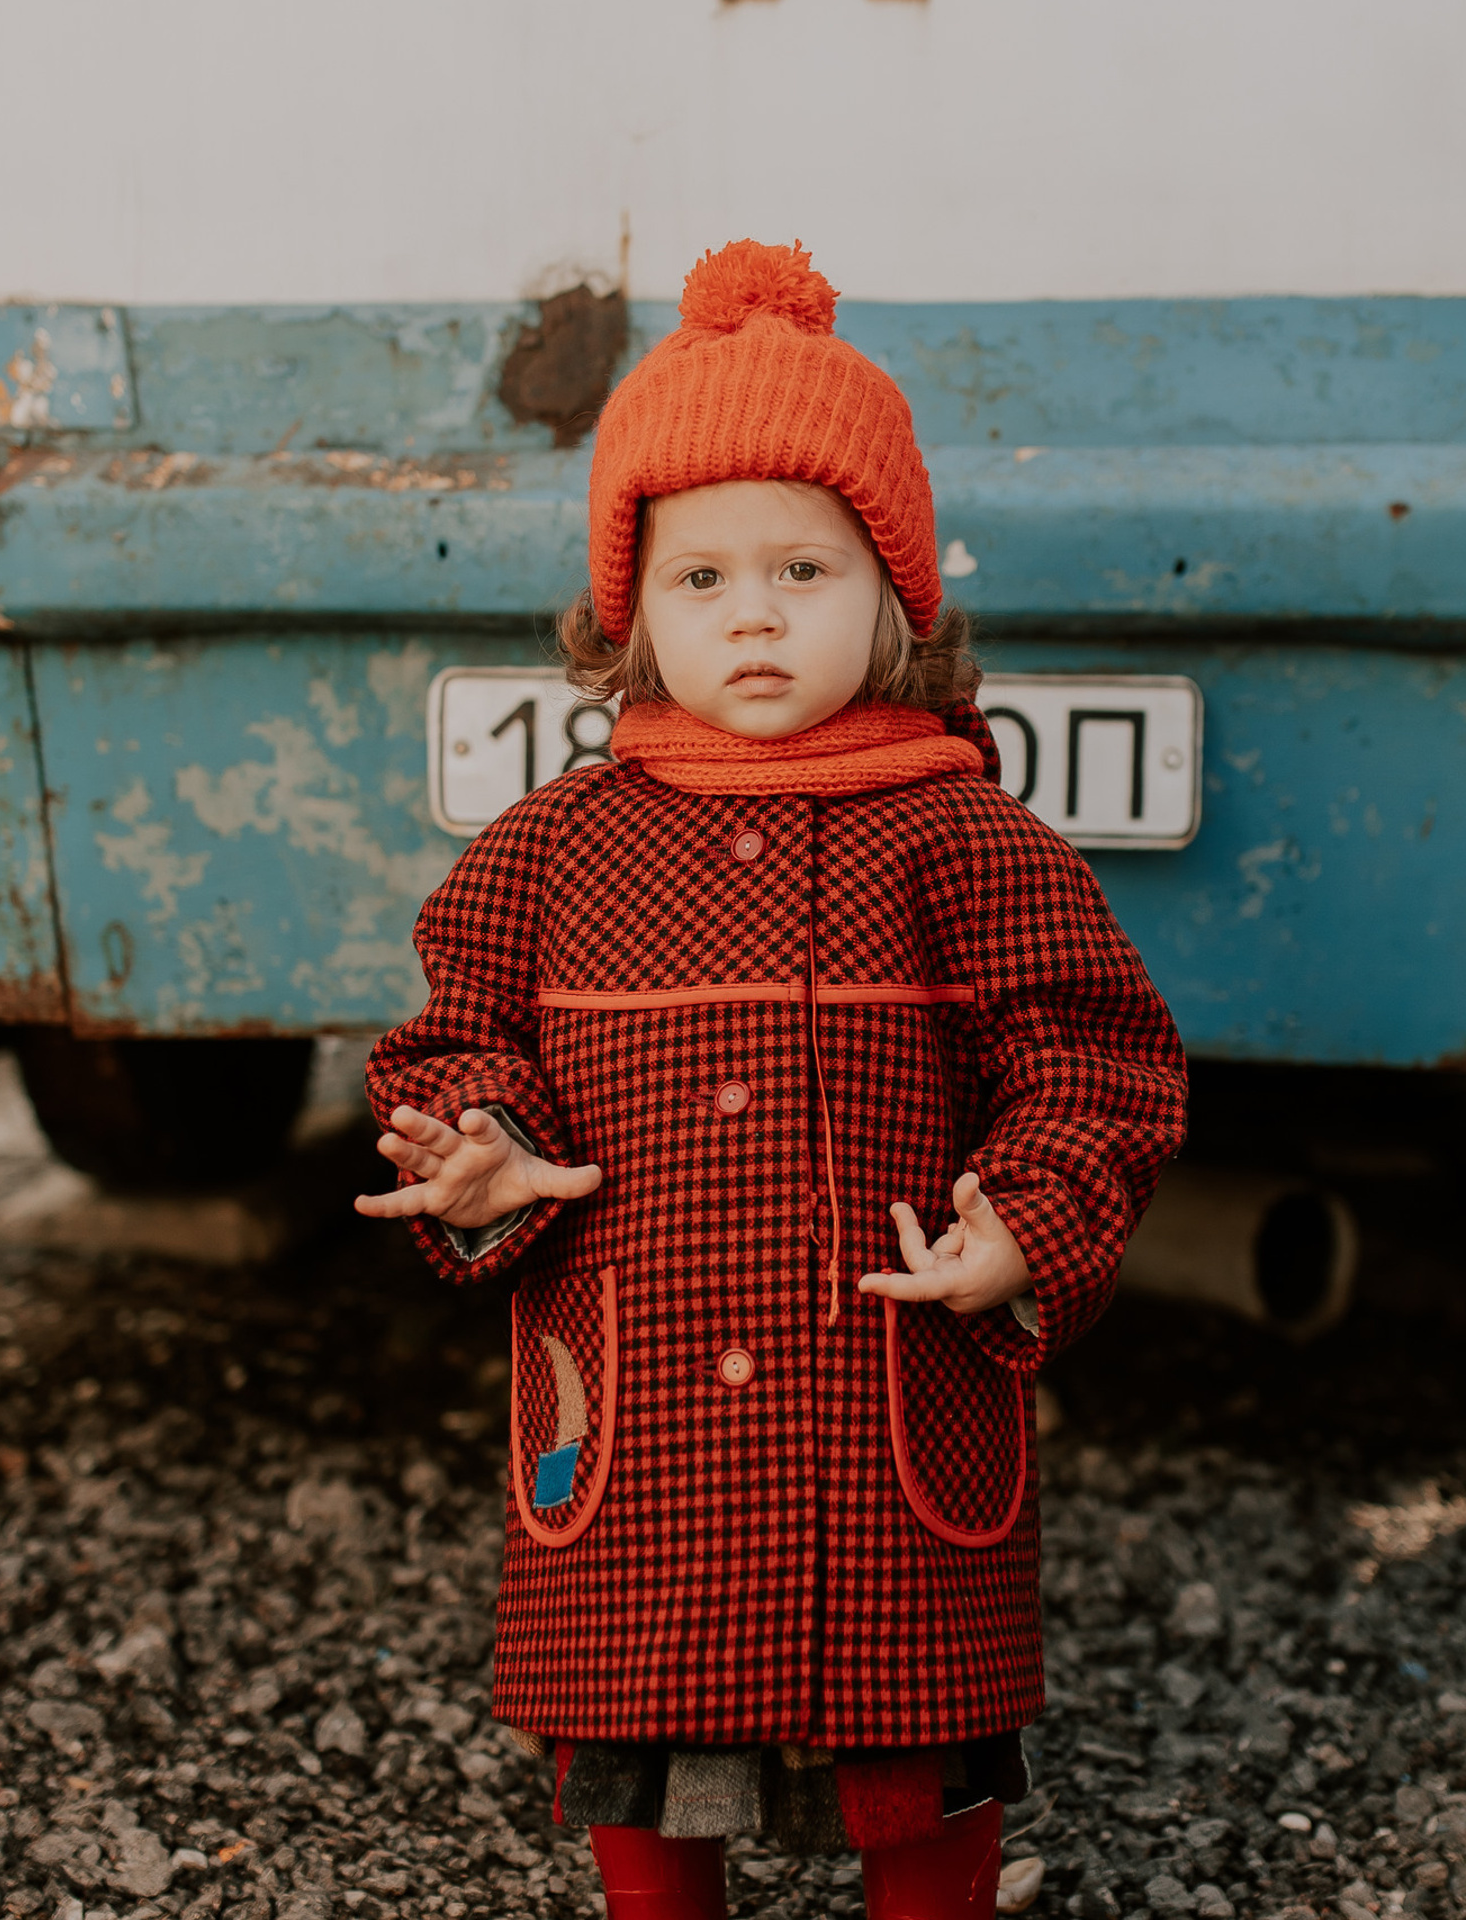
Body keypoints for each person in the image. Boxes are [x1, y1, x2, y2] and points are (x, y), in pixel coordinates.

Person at [359, 240, 1188, 1920]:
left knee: (914, 1737)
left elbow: (1097, 1059)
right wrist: (482, 1151)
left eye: (804, 570)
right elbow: (450, 1039)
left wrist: (1030, 1225)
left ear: (895, 593)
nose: (752, 614)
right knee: (635, 1728)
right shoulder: (555, 849)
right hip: (644, 1402)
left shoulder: (966, 834)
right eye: (703, 578)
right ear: (631, 613)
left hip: (876, 1402)